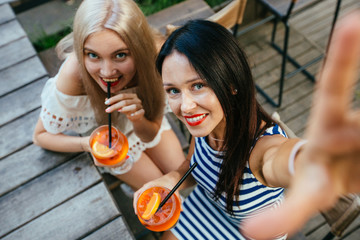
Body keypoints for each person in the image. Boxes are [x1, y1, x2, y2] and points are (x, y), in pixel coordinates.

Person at [133, 12, 360, 240]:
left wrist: (313, 159)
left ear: (231, 84)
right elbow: (194, 165)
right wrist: (171, 179)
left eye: (198, 85)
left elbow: (281, 158)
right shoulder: (204, 124)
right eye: (173, 90)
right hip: (206, 206)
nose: (185, 106)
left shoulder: (261, 149)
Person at [32, 0, 185, 190]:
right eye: (93, 55)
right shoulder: (74, 75)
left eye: (120, 55)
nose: (107, 72)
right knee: (163, 193)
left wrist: (137, 118)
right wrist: (87, 144)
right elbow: (40, 136)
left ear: (139, 48)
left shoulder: (155, 57)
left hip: (145, 124)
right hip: (108, 141)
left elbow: (149, 133)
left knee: (182, 180)